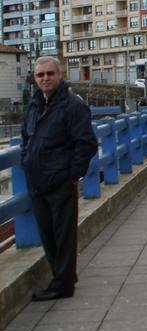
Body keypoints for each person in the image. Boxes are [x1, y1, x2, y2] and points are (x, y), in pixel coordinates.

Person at [21, 56, 98, 301]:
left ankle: (62, 286)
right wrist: (25, 158)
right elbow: (27, 137)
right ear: (34, 78)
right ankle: (64, 276)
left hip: (60, 181)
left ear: (59, 74)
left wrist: (71, 175)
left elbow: (86, 144)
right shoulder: (34, 104)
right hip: (36, 181)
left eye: (49, 74)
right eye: (40, 75)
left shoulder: (73, 105)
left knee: (63, 235)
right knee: (47, 233)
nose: (45, 78)